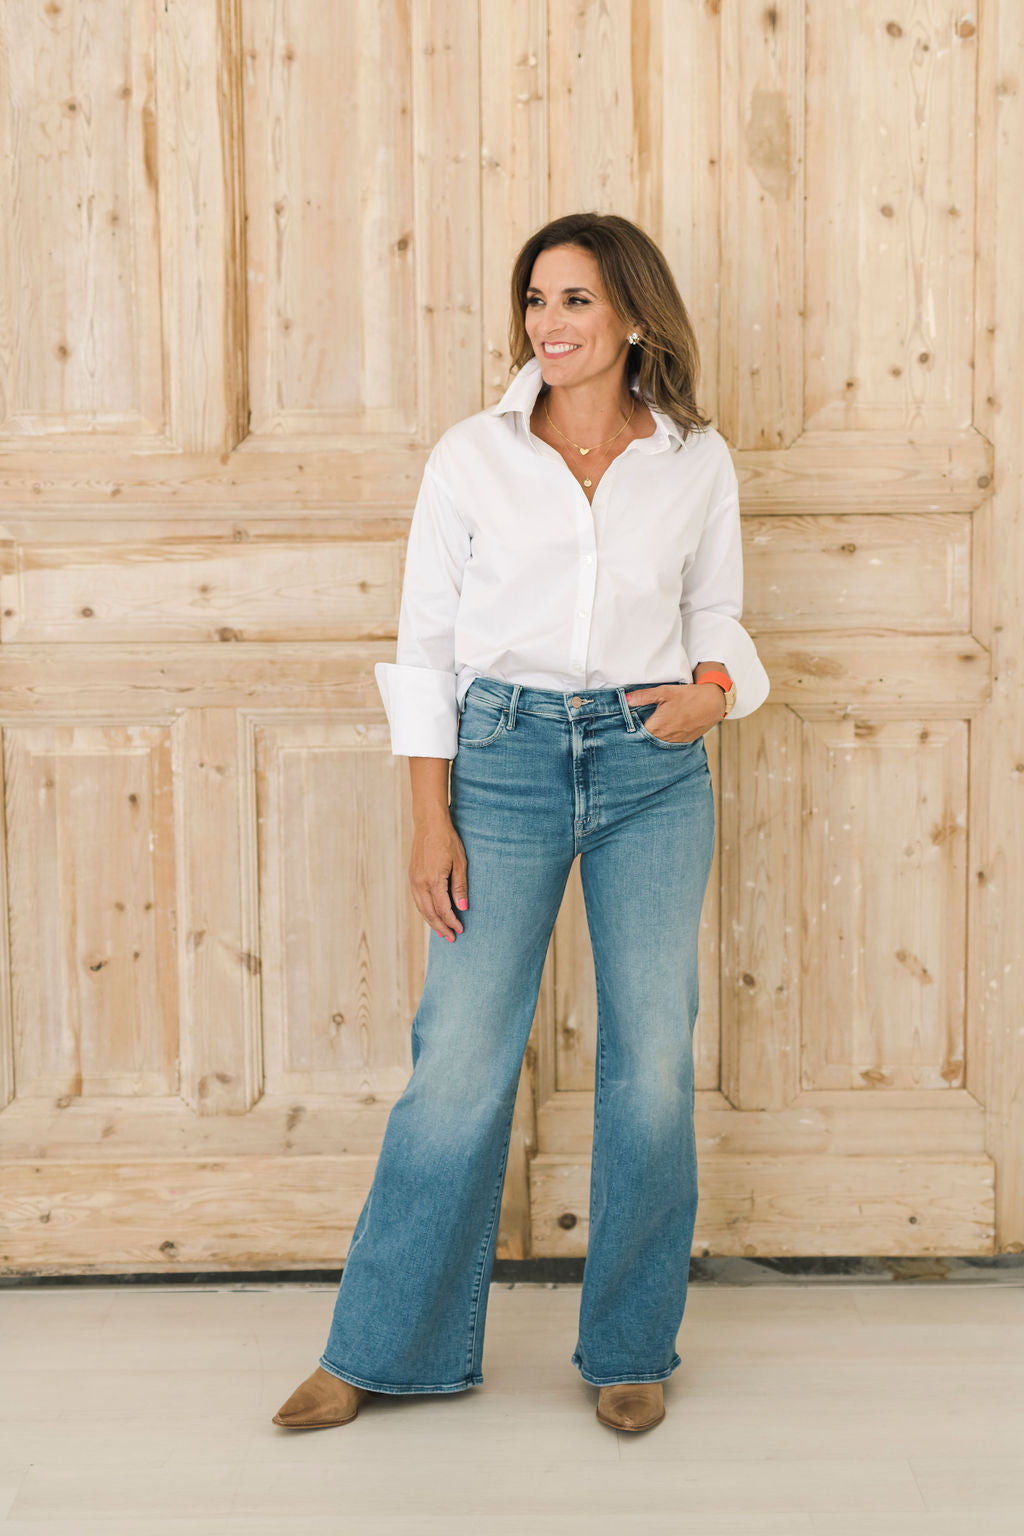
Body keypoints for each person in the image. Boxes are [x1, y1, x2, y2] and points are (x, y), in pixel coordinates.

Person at [273, 211, 770, 1435]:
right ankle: (380, 1349)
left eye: (575, 302)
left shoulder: (695, 460)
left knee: (649, 1061)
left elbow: (721, 616)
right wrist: (427, 817)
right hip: (496, 762)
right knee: (458, 1062)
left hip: (651, 769)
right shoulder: (472, 456)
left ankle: (629, 1348)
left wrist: (712, 696)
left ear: (634, 318)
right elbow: (425, 645)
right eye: (537, 302)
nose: (548, 324)